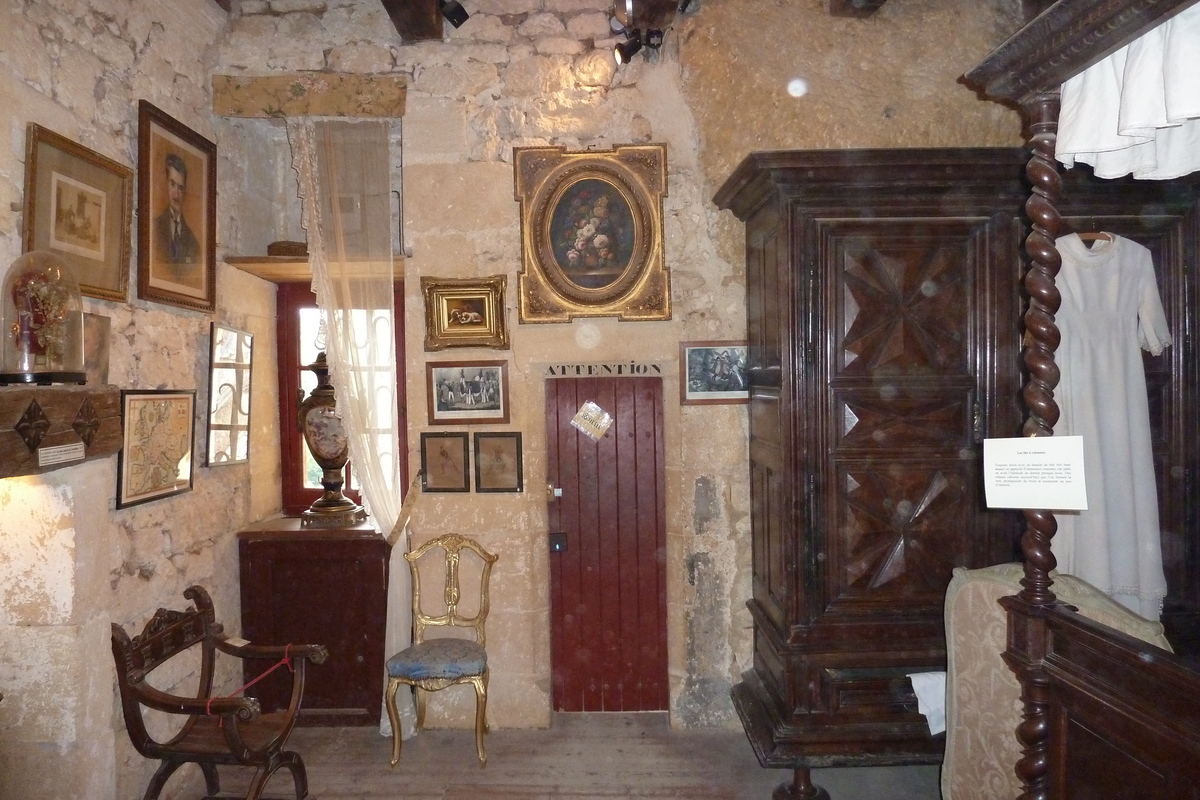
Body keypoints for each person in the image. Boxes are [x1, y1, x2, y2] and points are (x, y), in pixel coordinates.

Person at [154, 152, 200, 279]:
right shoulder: (154, 228)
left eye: (180, 188)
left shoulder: (193, 243)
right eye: (173, 185)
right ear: (166, 185)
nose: (176, 194)